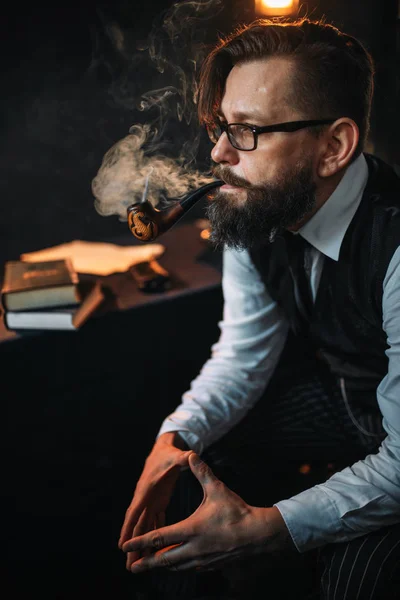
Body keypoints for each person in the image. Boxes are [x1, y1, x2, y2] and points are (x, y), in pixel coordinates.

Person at [118, 17, 400, 600]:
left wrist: (270, 530)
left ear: (333, 147)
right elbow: (244, 353)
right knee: (196, 468)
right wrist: (174, 437)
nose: (219, 152)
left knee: (358, 580)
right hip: (346, 403)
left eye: (247, 131)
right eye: (221, 126)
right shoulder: (259, 212)